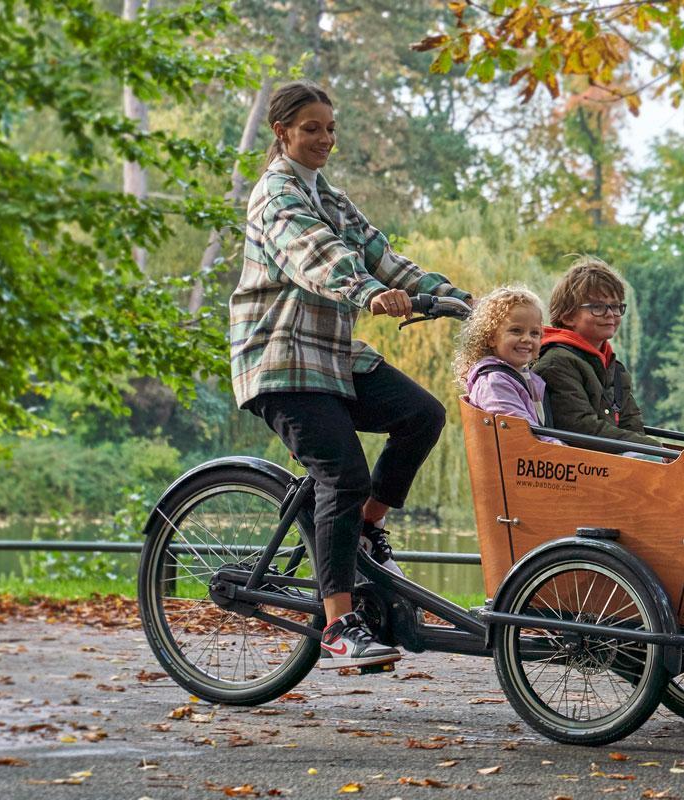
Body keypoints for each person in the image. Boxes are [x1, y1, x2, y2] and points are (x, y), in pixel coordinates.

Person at [230, 80, 473, 670]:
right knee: (342, 471)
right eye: (312, 129)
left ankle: (364, 530)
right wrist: (370, 293)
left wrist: (448, 294)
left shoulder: (328, 195)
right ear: (281, 131)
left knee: (422, 415)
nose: (325, 139)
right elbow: (318, 258)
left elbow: (377, 250)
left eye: (331, 129)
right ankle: (339, 620)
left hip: (331, 355)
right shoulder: (275, 195)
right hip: (282, 359)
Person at [534, 256, 663, 450]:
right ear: (567, 316)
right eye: (597, 307)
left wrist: (649, 449)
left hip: (611, 462)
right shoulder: (557, 363)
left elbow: (631, 425)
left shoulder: (615, 368)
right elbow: (580, 429)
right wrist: (651, 448)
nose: (610, 314)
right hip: (581, 467)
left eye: (616, 306)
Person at [455, 287, 561, 444]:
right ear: (491, 338)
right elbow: (520, 430)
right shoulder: (494, 382)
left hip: (533, 461)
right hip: (516, 462)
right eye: (516, 331)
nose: (527, 339)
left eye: (535, 333)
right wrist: (560, 449)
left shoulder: (529, 378)